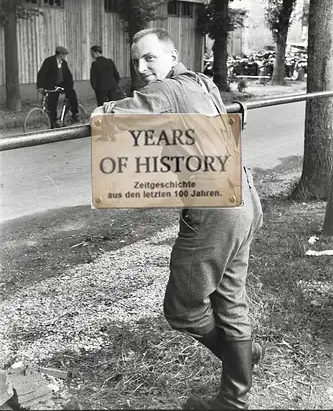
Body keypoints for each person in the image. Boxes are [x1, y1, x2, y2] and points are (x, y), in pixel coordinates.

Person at [92, 28, 264, 410]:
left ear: (172, 56)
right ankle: (233, 397)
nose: (141, 68)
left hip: (216, 209)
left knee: (182, 309)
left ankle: (245, 360)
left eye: (150, 57)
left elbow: (107, 118)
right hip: (245, 199)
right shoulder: (202, 82)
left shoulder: (166, 92)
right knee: (229, 298)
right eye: (136, 61)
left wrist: (105, 111)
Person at [36, 46, 79, 127]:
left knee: (72, 94)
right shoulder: (49, 61)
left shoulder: (64, 63)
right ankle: (54, 122)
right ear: (60, 54)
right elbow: (41, 73)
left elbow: (69, 76)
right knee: (52, 103)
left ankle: (75, 113)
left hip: (62, 84)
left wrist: (69, 86)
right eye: (64, 55)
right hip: (51, 85)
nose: (65, 57)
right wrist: (40, 86)